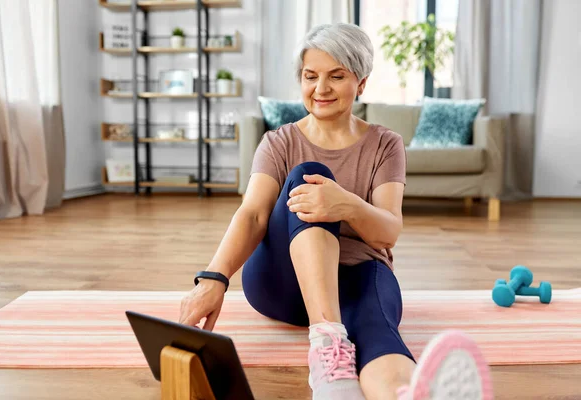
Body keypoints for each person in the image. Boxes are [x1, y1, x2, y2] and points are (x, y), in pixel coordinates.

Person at [178, 23, 493, 400]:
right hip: (283, 283)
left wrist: (345, 204)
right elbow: (253, 215)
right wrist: (214, 278)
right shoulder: (280, 142)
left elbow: (387, 232)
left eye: (337, 76)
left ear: (361, 82)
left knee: (378, 332)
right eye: (311, 76)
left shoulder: (384, 144)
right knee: (309, 177)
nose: (321, 88)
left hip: (359, 276)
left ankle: (403, 394)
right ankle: (327, 343)